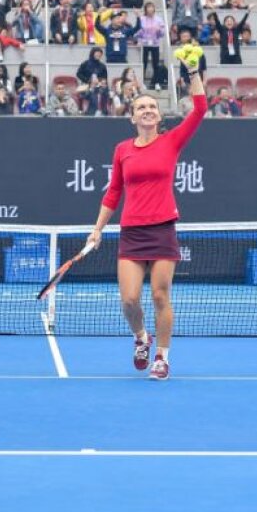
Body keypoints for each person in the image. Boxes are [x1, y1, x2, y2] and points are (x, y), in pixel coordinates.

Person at [85, 46, 208, 381]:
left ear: (159, 115)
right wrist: (97, 230)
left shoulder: (171, 142)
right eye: (142, 107)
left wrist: (192, 72)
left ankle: (162, 357)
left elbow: (199, 110)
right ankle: (141, 337)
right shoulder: (122, 150)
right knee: (129, 301)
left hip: (163, 229)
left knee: (159, 295)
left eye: (153, 106)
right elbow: (113, 192)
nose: (148, 110)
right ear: (133, 116)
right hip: (132, 232)